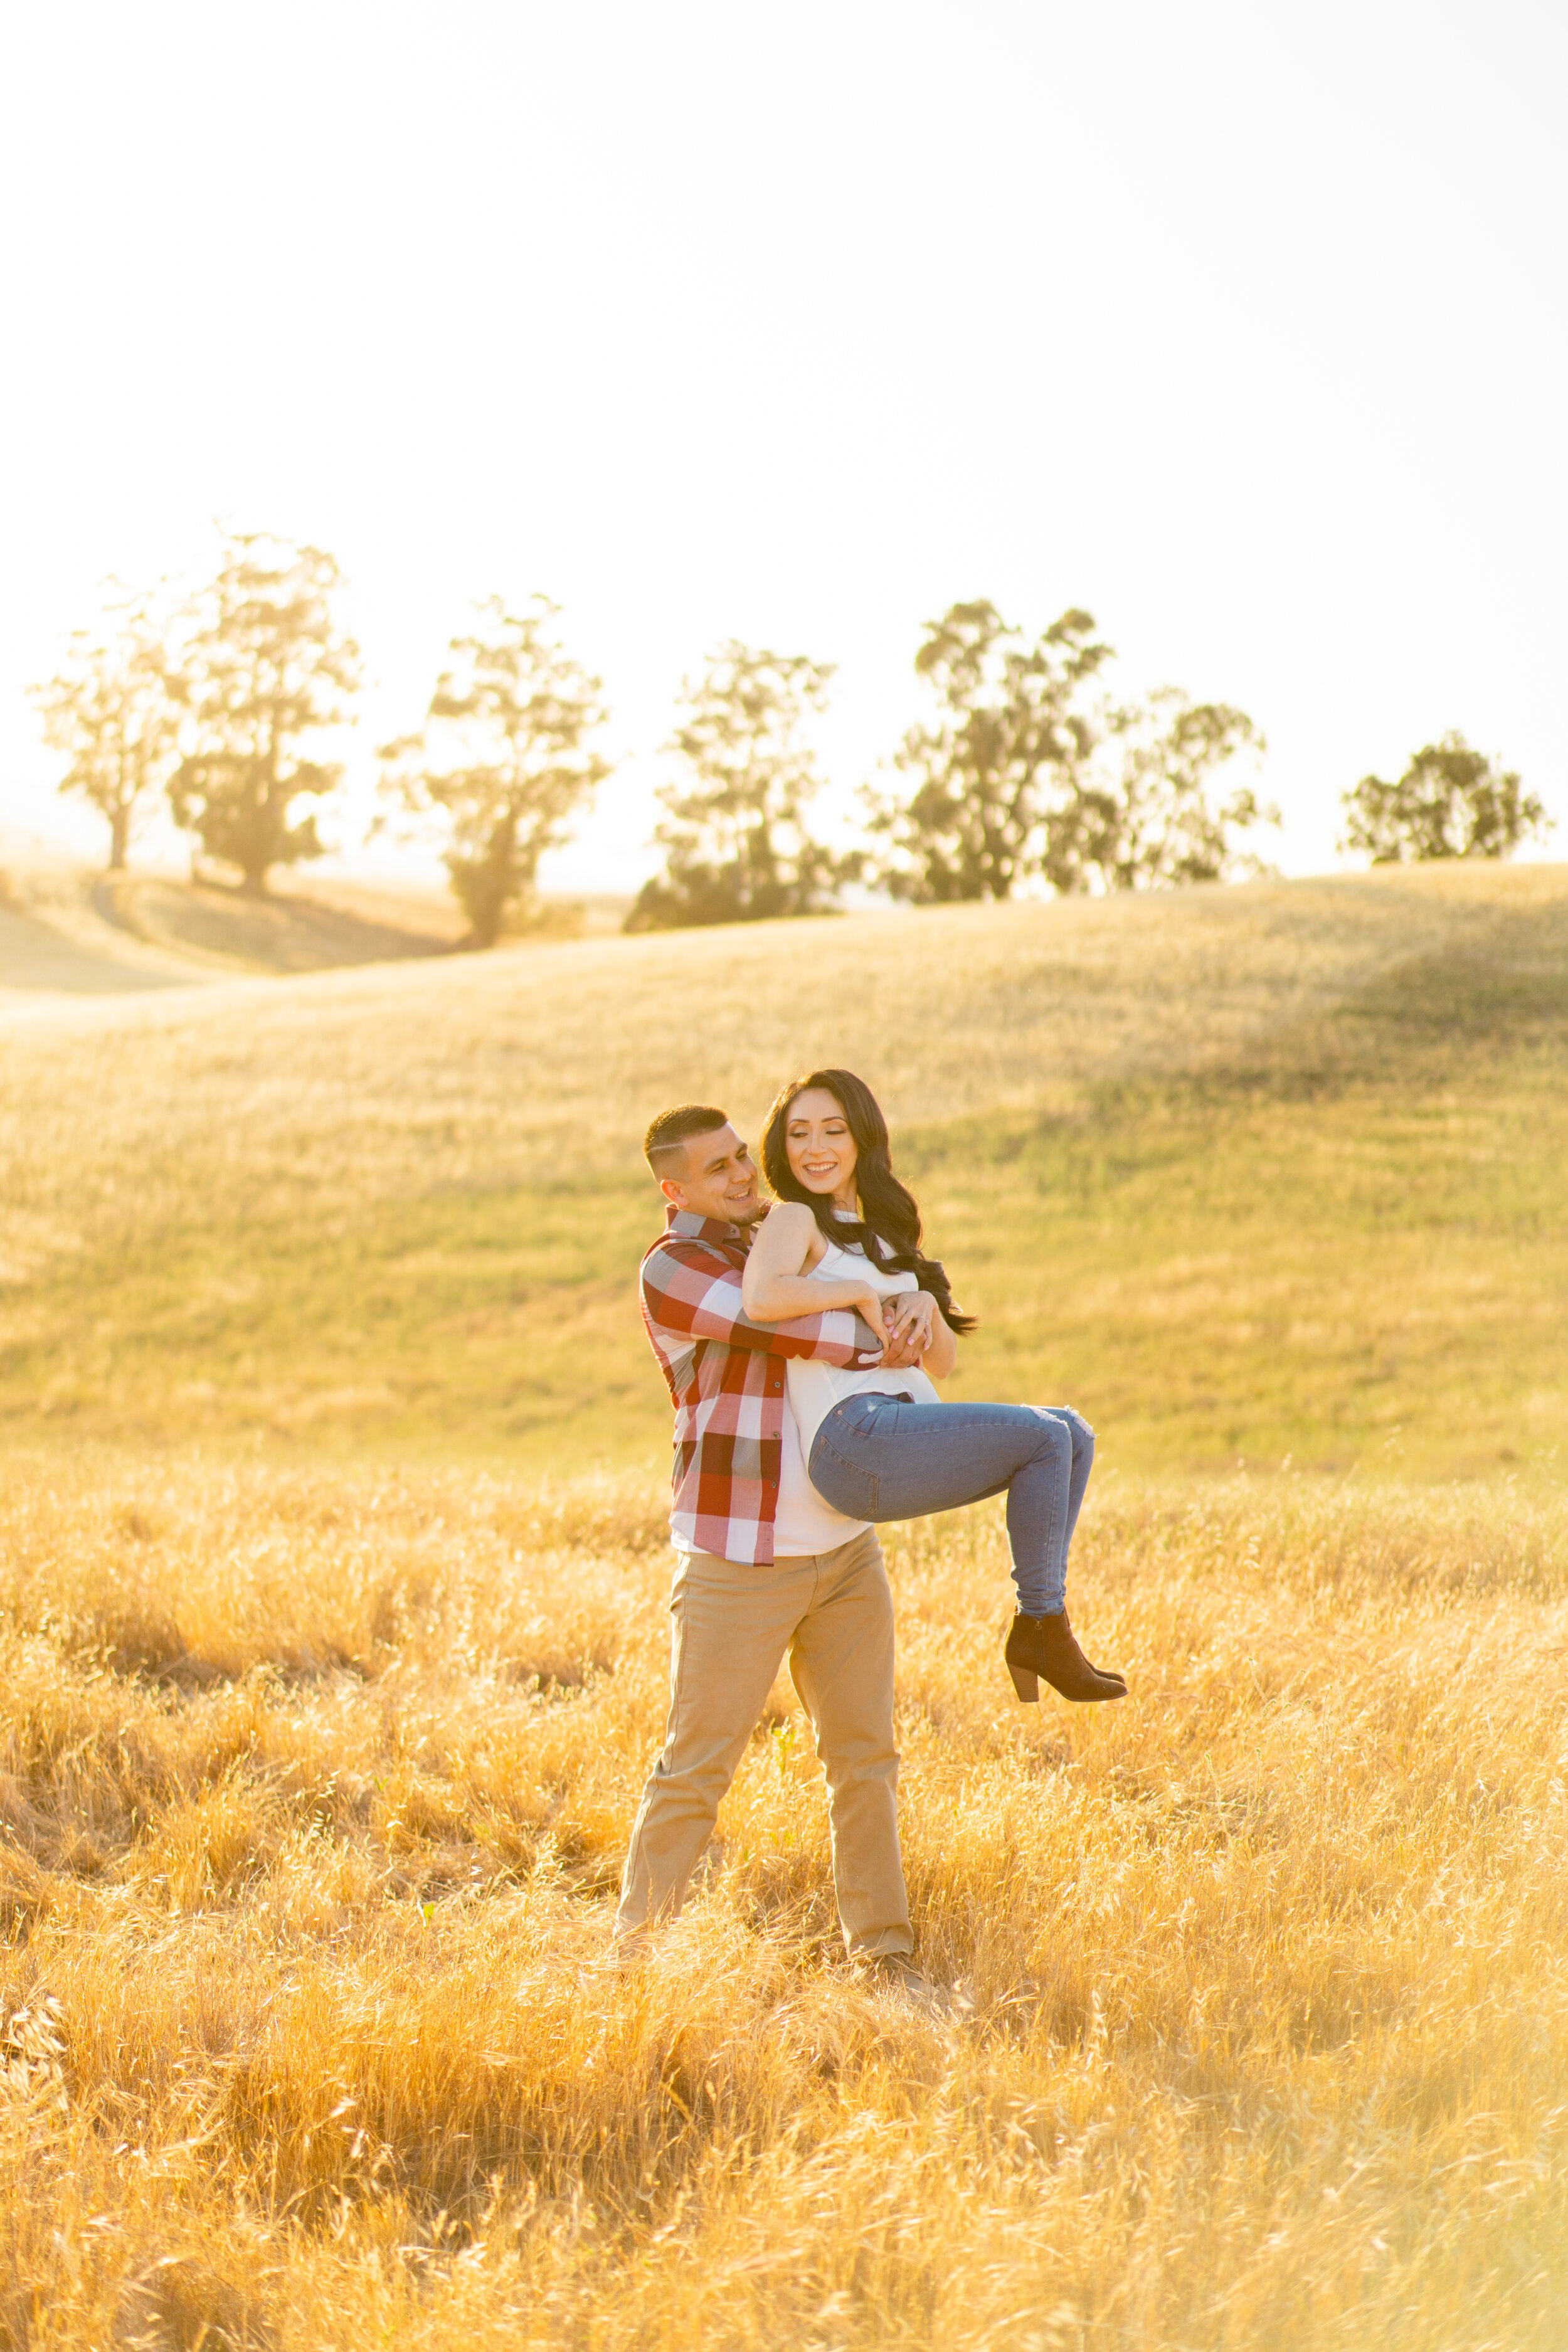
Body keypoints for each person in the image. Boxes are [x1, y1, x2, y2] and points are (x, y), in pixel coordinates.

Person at [614, 1102, 929, 1984]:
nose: (744, 1173)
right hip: (739, 1558)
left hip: (844, 1549)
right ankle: (630, 1966)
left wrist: (887, 1307)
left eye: (743, 1155)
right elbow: (782, 1327)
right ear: (675, 1188)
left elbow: (907, 1319)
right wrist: (876, 1316)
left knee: (865, 1757)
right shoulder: (673, 1267)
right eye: (718, 1168)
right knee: (696, 1767)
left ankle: (884, 1951)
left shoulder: (784, 1241)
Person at [741, 1067, 1126, 1707]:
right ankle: (1042, 1625)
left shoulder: (888, 1236)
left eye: (833, 1131)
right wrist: (862, 1291)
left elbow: (941, 1361)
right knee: (1041, 1437)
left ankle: (1041, 1625)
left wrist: (918, 1295)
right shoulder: (793, 1220)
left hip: (899, 1426)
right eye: (798, 1133)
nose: (815, 1148)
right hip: (851, 1437)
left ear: (862, 1139)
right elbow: (762, 1296)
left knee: (1072, 1433)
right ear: (779, 1148)